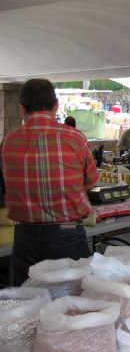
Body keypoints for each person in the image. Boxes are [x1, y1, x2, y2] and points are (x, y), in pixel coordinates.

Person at [1, 79, 98, 285]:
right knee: (74, 304)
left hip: (24, 235)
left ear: (21, 109)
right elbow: (91, 180)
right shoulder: (75, 137)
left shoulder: (9, 141)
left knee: (27, 305)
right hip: (67, 233)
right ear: (56, 105)